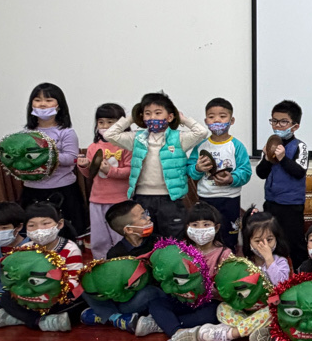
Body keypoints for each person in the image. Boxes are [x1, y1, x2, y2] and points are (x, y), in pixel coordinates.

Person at [104, 92, 207, 239]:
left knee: (173, 239)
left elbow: (202, 132)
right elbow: (109, 135)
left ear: (169, 117)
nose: (152, 117)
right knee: (146, 239)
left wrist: (183, 119)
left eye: (158, 113)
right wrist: (131, 118)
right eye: (148, 113)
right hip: (142, 198)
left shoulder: (179, 138)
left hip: (170, 198)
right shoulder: (137, 138)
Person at [0, 202, 85, 332]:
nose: (39, 229)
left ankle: (23, 318)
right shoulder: (25, 248)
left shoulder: (70, 248)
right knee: (7, 297)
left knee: (82, 300)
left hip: (55, 297)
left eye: (45, 224)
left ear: (59, 224)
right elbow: (17, 277)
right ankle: (39, 321)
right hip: (30, 294)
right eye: (32, 225)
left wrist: (55, 291)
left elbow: (75, 278)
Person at [19, 82, 87, 237]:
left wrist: (43, 155)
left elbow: (71, 158)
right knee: (35, 235)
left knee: (65, 235)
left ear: (59, 105)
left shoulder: (66, 132)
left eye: (49, 100)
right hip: (32, 190)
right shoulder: (26, 133)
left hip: (62, 190)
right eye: (37, 100)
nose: (42, 104)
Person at [186, 97, 252, 251]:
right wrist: (197, 168)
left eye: (222, 116)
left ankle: (228, 260)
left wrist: (232, 178)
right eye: (211, 117)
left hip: (230, 199)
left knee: (230, 236)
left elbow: (246, 171)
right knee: (207, 235)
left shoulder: (236, 146)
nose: (217, 120)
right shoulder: (201, 145)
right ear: (206, 121)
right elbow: (190, 171)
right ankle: (206, 261)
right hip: (206, 198)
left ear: (231, 120)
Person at [255, 99, 308, 262]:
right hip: (271, 202)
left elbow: (299, 172)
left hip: (291, 204)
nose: (278, 126)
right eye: (274, 121)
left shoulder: (300, 146)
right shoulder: (270, 144)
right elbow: (261, 173)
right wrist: (267, 158)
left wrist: (283, 158)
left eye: (283, 122)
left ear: (295, 126)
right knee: (271, 239)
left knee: (294, 242)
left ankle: (299, 272)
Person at [76, 102, 131, 259]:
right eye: (101, 122)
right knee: (99, 238)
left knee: (121, 236)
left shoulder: (127, 146)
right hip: (97, 199)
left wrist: (110, 171)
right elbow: (90, 174)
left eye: (110, 122)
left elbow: (130, 171)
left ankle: (124, 263)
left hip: (121, 200)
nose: (105, 126)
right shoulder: (93, 147)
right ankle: (100, 263)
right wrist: (83, 166)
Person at [241, 210, 291, 286]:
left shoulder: (281, 262)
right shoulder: (245, 263)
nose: (265, 245)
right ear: (249, 241)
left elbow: (281, 284)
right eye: (258, 241)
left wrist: (269, 259)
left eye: (269, 240)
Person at [186, 202, 234, 275]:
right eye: (195, 225)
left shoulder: (224, 254)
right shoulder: (183, 251)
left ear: (216, 228)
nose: (200, 229)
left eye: (206, 225)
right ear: (188, 228)